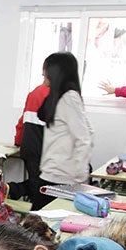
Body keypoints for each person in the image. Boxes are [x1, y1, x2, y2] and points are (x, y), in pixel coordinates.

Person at [31, 52, 93, 210]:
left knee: (37, 227)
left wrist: (80, 177)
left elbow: (84, 138)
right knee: (37, 225)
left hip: (62, 177)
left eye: (45, 68)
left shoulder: (69, 98)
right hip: (51, 172)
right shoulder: (58, 96)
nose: (42, 72)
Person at [9, 77, 49, 201]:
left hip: (30, 147)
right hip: (45, 149)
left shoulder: (35, 92)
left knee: (39, 184)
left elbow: (23, 120)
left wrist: (18, 140)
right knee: (44, 187)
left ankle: (12, 190)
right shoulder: (61, 94)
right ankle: (13, 190)